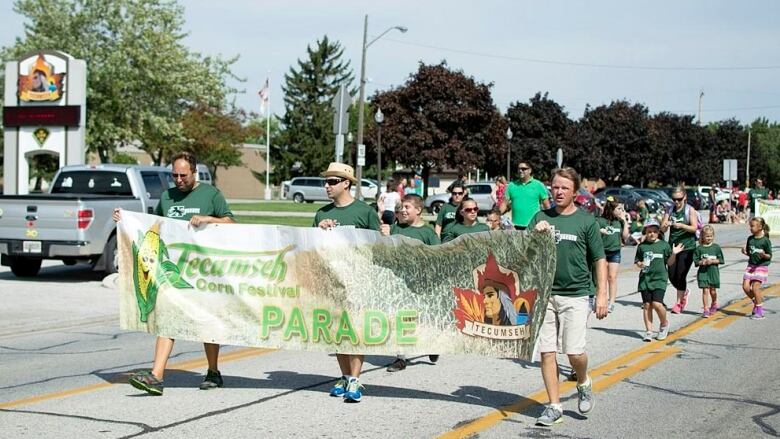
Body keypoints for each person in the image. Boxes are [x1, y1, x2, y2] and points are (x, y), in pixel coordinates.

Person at [113, 151, 235, 396]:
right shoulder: (167, 197)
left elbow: (231, 223)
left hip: (203, 272)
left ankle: (213, 371)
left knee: (206, 321)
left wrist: (208, 219)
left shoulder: (210, 194)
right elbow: (154, 226)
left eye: (183, 175)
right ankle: (156, 376)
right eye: (174, 175)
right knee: (167, 319)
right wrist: (124, 219)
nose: (178, 180)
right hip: (173, 271)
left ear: (194, 173)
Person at [529, 167, 608, 427]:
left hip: (576, 295)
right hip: (545, 295)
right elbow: (525, 254)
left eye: (564, 187)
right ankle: (554, 406)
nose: (559, 191)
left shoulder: (586, 221)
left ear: (574, 191)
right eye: (555, 186)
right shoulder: (541, 216)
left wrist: (602, 295)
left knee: (574, 353)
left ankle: (583, 381)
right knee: (547, 352)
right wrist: (534, 235)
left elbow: (599, 259)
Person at [314, 162, 380, 402]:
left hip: (358, 280)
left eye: (332, 181)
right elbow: (314, 248)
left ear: (346, 184)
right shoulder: (322, 214)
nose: (327, 186)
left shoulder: (364, 212)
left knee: (354, 331)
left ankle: (355, 379)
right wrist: (319, 230)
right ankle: (343, 376)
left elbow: (378, 246)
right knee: (337, 331)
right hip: (332, 281)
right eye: (326, 181)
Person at [381, 194, 440, 372]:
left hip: (422, 284)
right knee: (401, 318)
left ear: (418, 210)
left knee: (423, 318)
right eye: (402, 207)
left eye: (407, 207)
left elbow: (438, 256)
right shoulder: (396, 229)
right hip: (400, 283)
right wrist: (385, 236)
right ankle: (400, 358)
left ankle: (432, 343)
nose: (403, 210)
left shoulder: (428, 233)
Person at [635, 218, 683, 341]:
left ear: (658, 232)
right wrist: (640, 264)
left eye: (654, 231)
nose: (652, 234)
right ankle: (649, 331)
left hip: (659, 279)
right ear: (645, 232)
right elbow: (638, 261)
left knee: (657, 304)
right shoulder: (642, 247)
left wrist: (674, 253)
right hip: (645, 279)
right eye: (649, 231)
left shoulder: (664, 245)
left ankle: (664, 324)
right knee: (647, 305)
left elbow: (670, 263)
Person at [661, 187, 699, 314]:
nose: (676, 202)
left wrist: (682, 226)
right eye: (674, 199)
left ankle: (678, 303)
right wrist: (664, 226)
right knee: (671, 275)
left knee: (681, 275)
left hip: (687, 247)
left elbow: (694, 228)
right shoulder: (669, 209)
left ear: (685, 198)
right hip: (672, 247)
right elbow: (663, 229)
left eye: (679, 199)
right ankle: (684, 292)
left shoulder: (690, 210)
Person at [596, 196, 630, 313]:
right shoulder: (600, 220)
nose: (621, 211)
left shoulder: (619, 222)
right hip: (602, 252)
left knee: (612, 277)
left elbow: (625, 237)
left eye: (622, 209)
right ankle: (601, 299)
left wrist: (625, 220)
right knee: (602, 277)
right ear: (612, 209)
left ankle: (611, 303)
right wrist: (600, 231)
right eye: (619, 209)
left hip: (615, 252)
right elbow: (593, 234)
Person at [500, 161, 550, 230]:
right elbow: (504, 204)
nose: (520, 171)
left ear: (530, 170)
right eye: (519, 169)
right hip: (515, 227)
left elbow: (547, 206)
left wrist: (548, 221)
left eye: (523, 169)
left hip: (534, 226)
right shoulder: (511, 185)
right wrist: (497, 216)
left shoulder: (538, 185)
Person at [741, 217, 772, 319]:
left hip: (761, 266)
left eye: (752, 226)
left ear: (760, 227)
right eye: (750, 226)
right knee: (745, 287)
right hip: (751, 265)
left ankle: (759, 311)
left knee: (755, 287)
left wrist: (764, 255)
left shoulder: (765, 240)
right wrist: (745, 252)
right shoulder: (750, 239)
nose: (750, 228)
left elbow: (769, 255)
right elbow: (751, 254)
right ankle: (756, 301)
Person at [693, 225, 724, 318]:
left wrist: (712, 261)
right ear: (702, 236)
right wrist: (701, 262)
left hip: (713, 272)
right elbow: (696, 261)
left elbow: (721, 260)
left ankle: (714, 303)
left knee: (713, 291)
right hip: (703, 273)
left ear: (713, 236)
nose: (709, 238)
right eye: (707, 236)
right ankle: (706, 309)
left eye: (711, 236)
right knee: (705, 290)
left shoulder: (716, 247)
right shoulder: (699, 248)